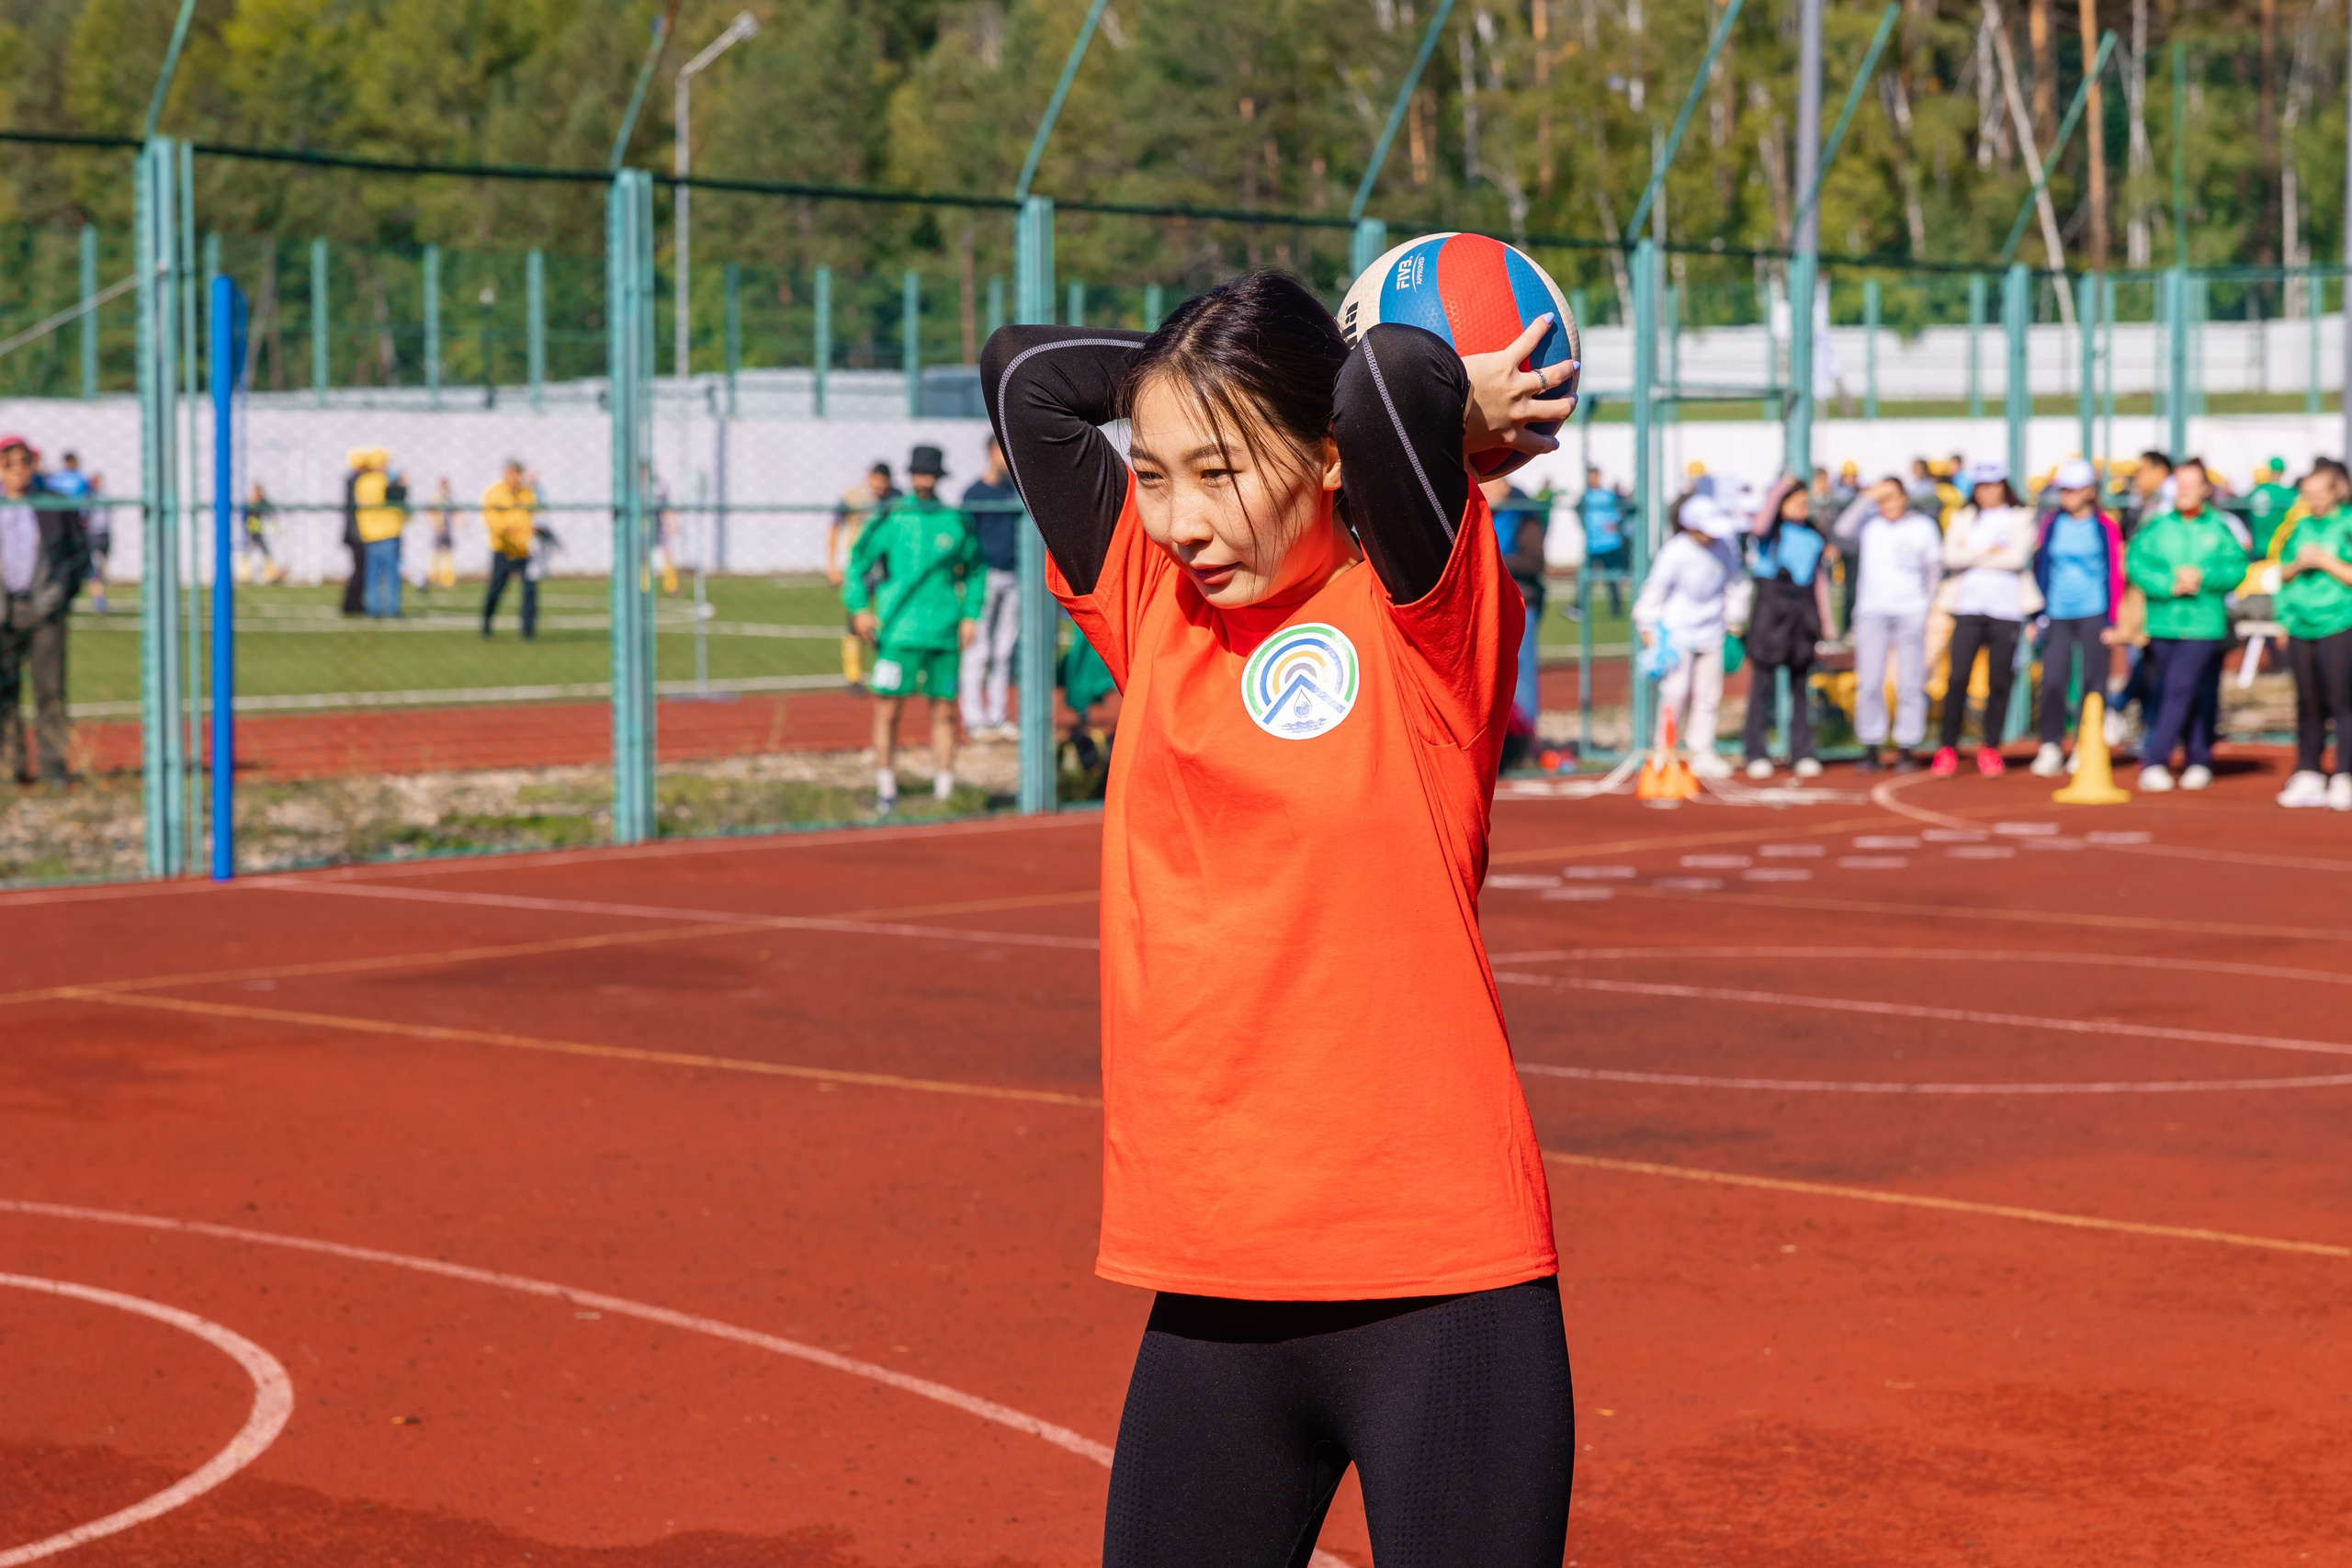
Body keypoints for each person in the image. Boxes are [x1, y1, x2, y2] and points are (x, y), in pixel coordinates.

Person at [983, 275, 1576, 1566]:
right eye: (1153, 471)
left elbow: (1395, 378)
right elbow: (1029, 375)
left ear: (1328, 459)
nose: (1182, 518)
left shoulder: (1425, 620)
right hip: (1217, 1287)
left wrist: (1446, 411)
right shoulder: (1158, 608)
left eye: (1220, 470)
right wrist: (1213, 385)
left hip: (1443, 1282)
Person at [843, 445, 982, 811]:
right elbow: (857, 564)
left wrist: (970, 614)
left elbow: (975, 570)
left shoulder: (954, 520)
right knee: (887, 710)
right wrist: (859, 609)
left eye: (929, 474)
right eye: (917, 473)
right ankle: (886, 785)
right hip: (897, 633)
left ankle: (944, 786)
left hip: (943, 631)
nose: (922, 480)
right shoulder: (892, 518)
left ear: (938, 477)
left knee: (945, 710)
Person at [2125, 457, 2248, 792]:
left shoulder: (2219, 527)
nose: (2185, 492)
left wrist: (2204, 578)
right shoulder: (2158, 526)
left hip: (2204, 623)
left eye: (2192, 486)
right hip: (2164, 622)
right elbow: (2135, 563)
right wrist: (2168, 583)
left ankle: (2156, 759)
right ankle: (2198, 757)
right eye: (2180, 485)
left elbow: (2237, 567)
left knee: (2180, 688)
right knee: (2182, 691)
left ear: (2206, 490)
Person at [1930, 461, 2039, 777]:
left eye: (1993, 485)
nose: (1987, 492)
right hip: (1967, 608)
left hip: (2006, 610)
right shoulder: (1963, 517)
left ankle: (1990, 746)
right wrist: (1991, 550)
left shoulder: (2021, 517)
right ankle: (1947, 746)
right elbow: (1950, 557)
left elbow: (2017, 558)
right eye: (1981, 486)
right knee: (1957, 677)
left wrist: (1973, 552)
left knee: (1999, 680)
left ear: (2005, 486)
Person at [1836, 476, 1943, 772]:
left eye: (1893, 497)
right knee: (1869, 681)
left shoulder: (1922, 526)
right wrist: (1867, 498)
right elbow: (1842, 530)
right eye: (1883, 499)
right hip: (1872, 612)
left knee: (1910, 682)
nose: (1888, 505)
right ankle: (1871, 744)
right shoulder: (1870, 525)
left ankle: (1907, 745)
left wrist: (1926, 606)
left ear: (1905, 497)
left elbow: (1933, 569)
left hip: (1910, 611)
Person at [0, 434, 90, 784]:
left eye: (24, 462)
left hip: (44, 610)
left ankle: (54, 767)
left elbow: (78, 553)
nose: (17, 471)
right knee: (5, 694)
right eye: (9, 464)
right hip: (5, 613)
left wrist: (59, 595)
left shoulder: (53, 504)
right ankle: (11, 767)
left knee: (50, 691)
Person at [2028, 458, 2126, 777]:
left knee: (2092, 681)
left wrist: (2112, 620)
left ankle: (2086, 744)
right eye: (2064, 490)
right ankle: (2051, 744)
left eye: (2073, 490)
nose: (2067, 496)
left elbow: (2115, 573)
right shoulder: (2052, 524)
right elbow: (2041, 567)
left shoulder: (2104, 526)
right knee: (2053, 679)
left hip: (2093, 611)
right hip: (2057, 611)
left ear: (2089, 491)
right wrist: (2037, 614)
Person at [1634, 492, 1743, 778]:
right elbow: (1655, 589)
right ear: (1692, 527)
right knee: (1674, 693)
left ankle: (1701, 751)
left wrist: (1735, 620)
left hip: (1713, 632)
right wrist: (1647, 626)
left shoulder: (1726, 548)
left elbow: (1736, 583)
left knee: (1709, 695)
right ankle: (1665, 750)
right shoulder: (1675, 552)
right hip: (1677, 633)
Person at [2271, 458, 2352, 810]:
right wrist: (2297, 566)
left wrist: (2325, 561)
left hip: (2339, 621)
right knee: (2307, 700)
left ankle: (2345, 774)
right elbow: (2283, 574)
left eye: (2319, 493)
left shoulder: (2346, 525)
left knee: (2342, 701)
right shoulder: (2299, 527)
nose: (2313, 500)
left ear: (2336, 492)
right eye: (2308, 494)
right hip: (2301, 623)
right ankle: (2308, 770)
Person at [1742, 476, 1834, 779]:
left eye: (1805, 503)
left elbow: (1819, 582)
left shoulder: (1813, 537)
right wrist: (1780, 488)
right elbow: (1758, 526)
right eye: (1795, 502)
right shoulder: (1771, 533)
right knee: (1762, 686)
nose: (1802, 508)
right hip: (1771, 610)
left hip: (1802, 613)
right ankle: (1756, 751)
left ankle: (1802, 751)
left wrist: (1826, 623)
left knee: (1800, 688)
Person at [957, 435, 1023, 740]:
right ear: (989, 452)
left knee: (1004, 650)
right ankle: (974, 719)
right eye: (1001, 450)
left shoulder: (1015, 492)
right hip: (983, 579)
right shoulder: (974, 493)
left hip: (1015, 577)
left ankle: (998, 717)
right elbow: (963, 542)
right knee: (978, 650)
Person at [1490, 476, 1550, 768]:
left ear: (1503, 486)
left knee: (1521, 672)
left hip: (1521, 601)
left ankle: (1523, 743)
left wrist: (1489, 557)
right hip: (1483, 602)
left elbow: (1535, 561)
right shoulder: (1469, 508)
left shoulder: (1523, 513)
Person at [831, 461, 897, 685]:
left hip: (887, 569)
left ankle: (887, 669)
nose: (880, 486)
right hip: (859, 568)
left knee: (887, 620)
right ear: (869, 477)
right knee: (854, 623)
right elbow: (834, 526)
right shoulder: (854, 497)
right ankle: (853, 677)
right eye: (876, 480)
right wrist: (832, 564)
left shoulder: (897, 499)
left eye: (884, 482)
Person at [481, 460, 539, 638]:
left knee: (529, 590)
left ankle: (528, 631)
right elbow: (490, 519)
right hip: (503, 550)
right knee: (496, 589)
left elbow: (533, 517)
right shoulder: (495, 493)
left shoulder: (527, 494)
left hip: (524, 550)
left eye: (517, 473)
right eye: (511, 472)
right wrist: (506, 528)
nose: (515, 477)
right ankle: (486, 622)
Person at [347, 447, 404, 617]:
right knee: (391, 574)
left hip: (369, 534)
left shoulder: (361, 482)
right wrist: (399, 484)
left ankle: (373, 608)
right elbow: (397, 498)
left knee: (372, 574)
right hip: (388, 532)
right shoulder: (383, 481)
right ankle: (392, 608)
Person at [1577, 465, 1627, 615]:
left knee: (1612, 578)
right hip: (1592, 544)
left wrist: (1616, 524)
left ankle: (1616, 609)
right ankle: (1579, 607)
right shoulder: (1585, 497)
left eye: (1595, 476)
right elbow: (1579, 513)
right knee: (1585, 577)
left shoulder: (1609, 495)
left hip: (1609, 543)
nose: (1593, 479)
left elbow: (1623, 511)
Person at [240, 481, 283, 584]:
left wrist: (274, 525)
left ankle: (272, 574)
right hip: (251, 532)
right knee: (247, 552)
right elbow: (245, 516)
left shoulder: (262, 502)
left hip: (258, 532)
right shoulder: (250, 503)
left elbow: (270, 512)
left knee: (265, 551)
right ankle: (244, 576)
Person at [426, 478, 458, 592]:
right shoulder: (436, 497)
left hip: (447, 529)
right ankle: (433, 576)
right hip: (439, 528)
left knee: (447, 552)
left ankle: (447, 578)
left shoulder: (448, 498)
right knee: (436, 552)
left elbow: (454, 512)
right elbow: (431, 512)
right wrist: (436, 525)